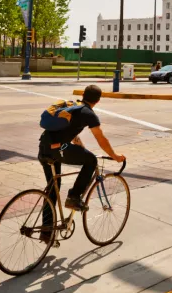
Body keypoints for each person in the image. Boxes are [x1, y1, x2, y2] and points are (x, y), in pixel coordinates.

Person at [39, 85, 125, 225]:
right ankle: (73, 197)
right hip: (59, 149)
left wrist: (81, 148)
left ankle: (46, 230)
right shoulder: (88, 114)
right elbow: (101, 139)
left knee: (53, 187)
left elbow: (70, 133)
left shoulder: (73, 106)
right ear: (98, 101)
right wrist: (114, 156)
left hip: (44, 147)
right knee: (91, 160)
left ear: (84, 95)